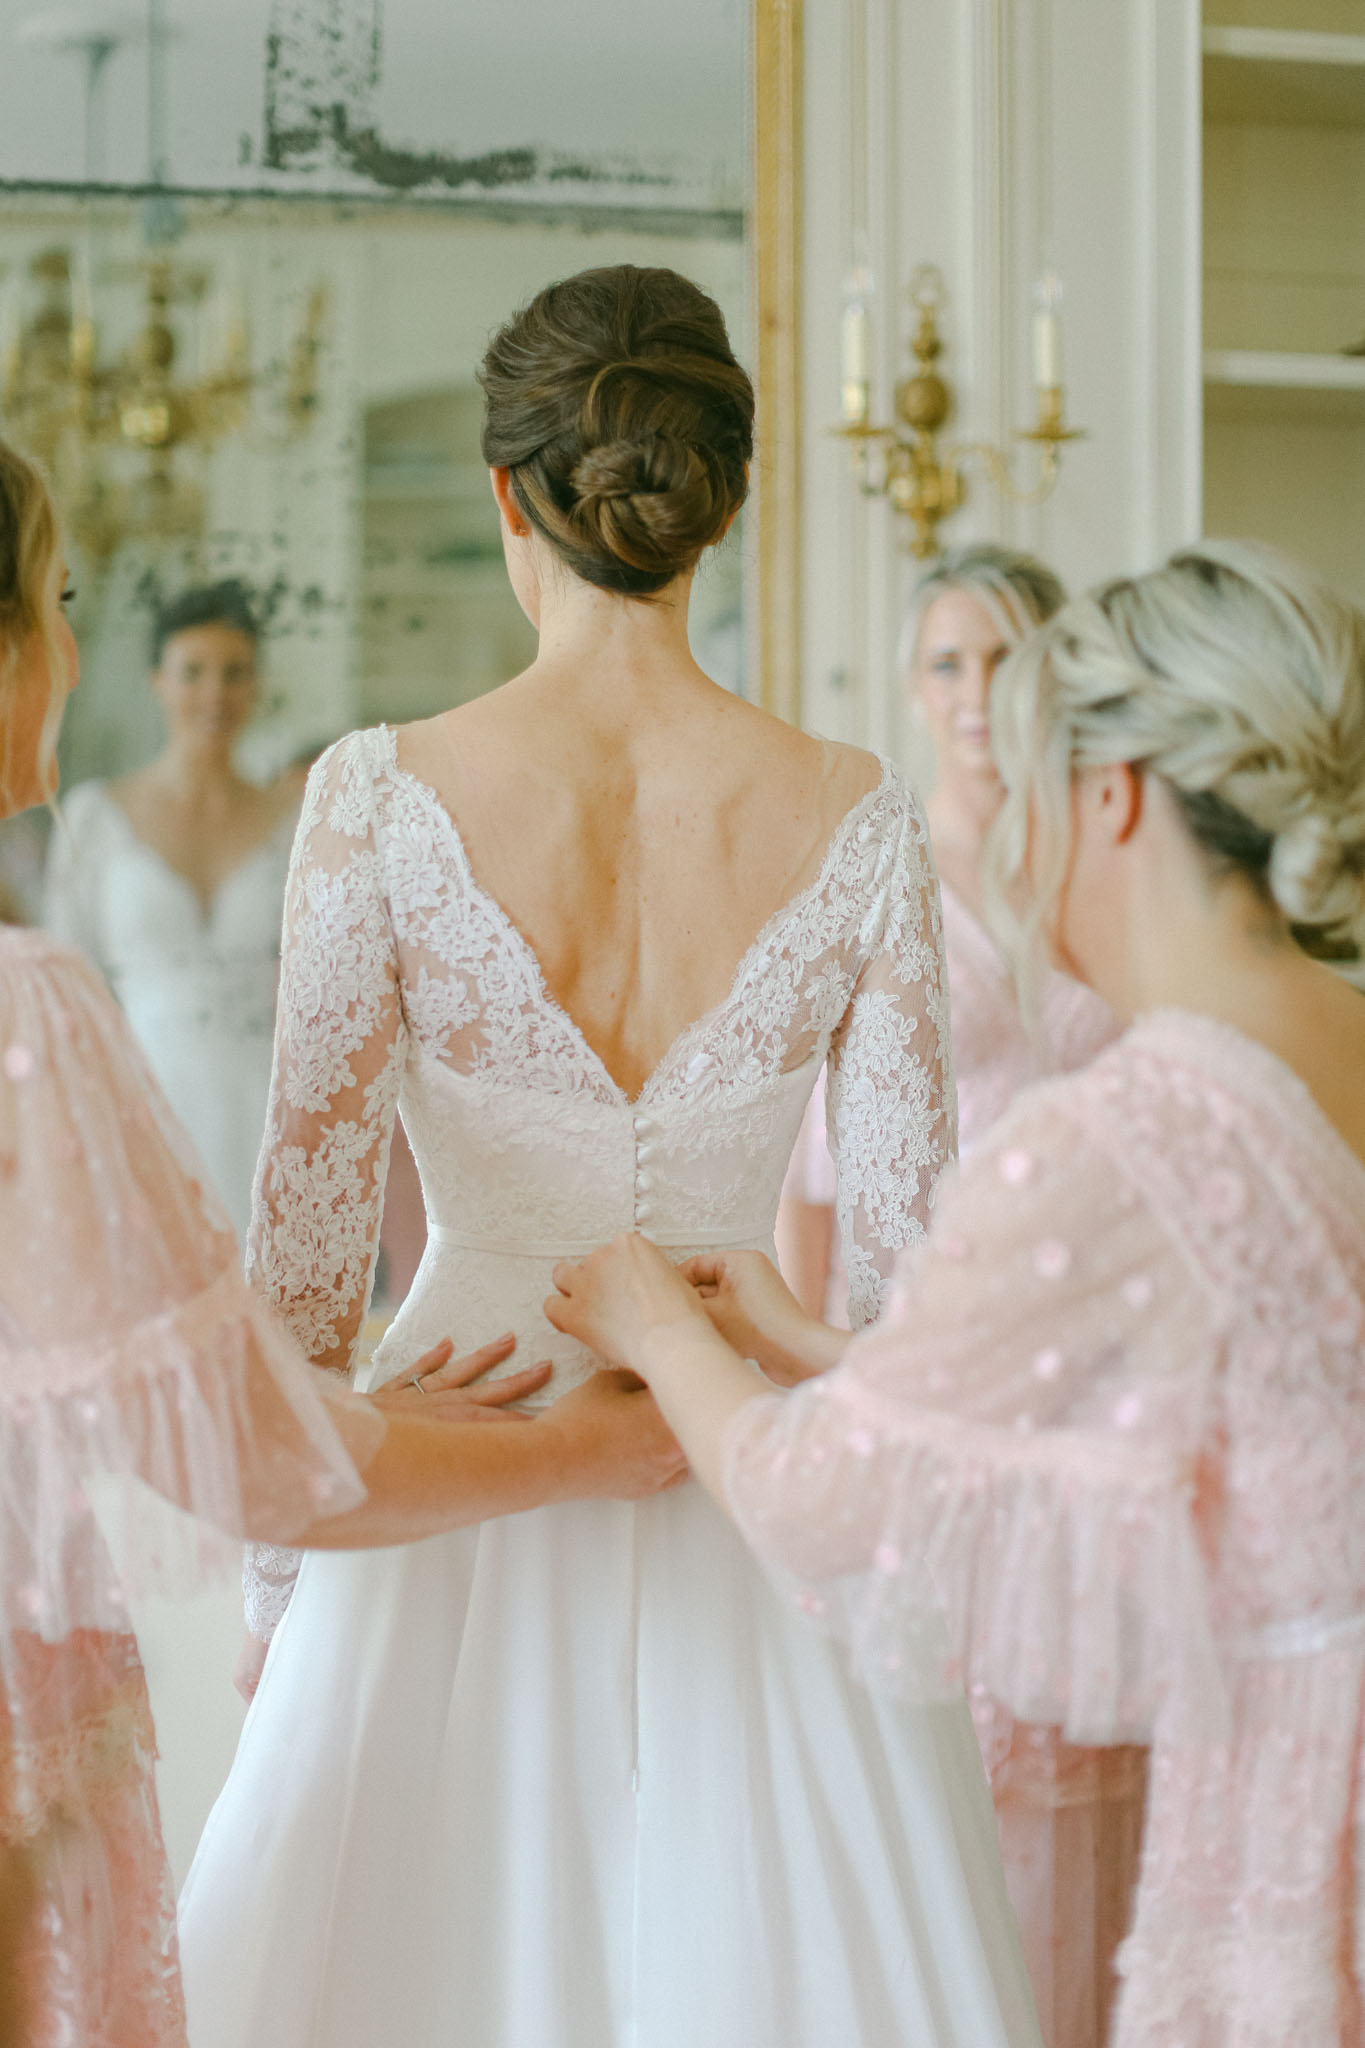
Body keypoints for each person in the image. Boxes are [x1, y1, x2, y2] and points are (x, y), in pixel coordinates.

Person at [177, 265, 1041, 2048]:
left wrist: (283, 1598)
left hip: (457, 1453)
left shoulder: (376, 794)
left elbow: (307, 1254)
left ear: (509, 494)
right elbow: (906, 1274)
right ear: (718, 501)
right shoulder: (859, 809)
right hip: (746, 1476)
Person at [549, 539, 1365, 2048]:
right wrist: (812, 1337)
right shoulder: (1328, 1048)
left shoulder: (1132, 1130)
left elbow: (813, 1507)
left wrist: (651, 1322)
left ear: (1109, 797)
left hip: (1291, 1831)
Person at [0, 435, 685, 2047]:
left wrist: (348, 1406)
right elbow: (246, 1459)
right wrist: (572, 1451)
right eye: (57, 598)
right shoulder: (27, 1011)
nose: (78, 650)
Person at [778, 545, 1117, 1326]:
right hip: (927, 1312)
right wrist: (797, 1370)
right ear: (912, 688)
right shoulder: (871, 873)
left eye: (1006, 660)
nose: (979, 693)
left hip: (1093, 1299)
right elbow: (809, 1168)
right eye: (946, 664)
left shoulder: (1114, 864)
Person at [43, 580, 293, 1244]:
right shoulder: (97, 816)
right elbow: (66, 985)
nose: (215, 693)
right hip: (140, 1096)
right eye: (194, 672)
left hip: (268, 1107)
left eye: (235, 672)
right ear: (158, 680)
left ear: (256, 684)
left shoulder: (292, 822)